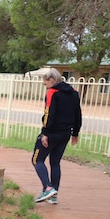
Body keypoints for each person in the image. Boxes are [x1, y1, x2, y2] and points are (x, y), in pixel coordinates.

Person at [32, 68, 82, 204]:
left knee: (37, 160)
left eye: (45, 83)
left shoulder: (52, 93)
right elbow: (78, 114)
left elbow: (49, 114)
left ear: (52, 81)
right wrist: (75, 133)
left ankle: (47, 188)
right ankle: (54, 195)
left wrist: (44, 133)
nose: (45, 86)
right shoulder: (74, 93)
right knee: (55, 162)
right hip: (65, 133)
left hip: (52, 133)